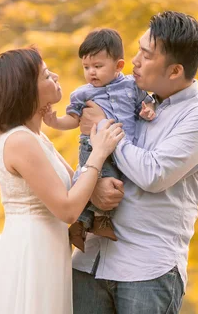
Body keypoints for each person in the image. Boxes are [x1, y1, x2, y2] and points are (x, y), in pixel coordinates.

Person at [72, 11, 198, 314]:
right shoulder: (132, 99)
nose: (135, 60)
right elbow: (90, 156)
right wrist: (93, 186)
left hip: (147, 273)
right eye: (139, 48)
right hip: (90, 263)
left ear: (175, 70)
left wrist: (103, 127)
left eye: (147, 54)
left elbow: (152, 173)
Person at [0, 47, 124, 314]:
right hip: (32, 253)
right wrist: (100, 151)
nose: (55, 76)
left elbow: (76, 184)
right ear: (25, 90)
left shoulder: (35, 137)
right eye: (45, 75)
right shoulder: (20, 140)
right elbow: (67, 209)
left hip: (48, 250)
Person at [43, 28, 155, 251]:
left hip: (122, 147)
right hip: (91, 145)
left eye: (98, 66)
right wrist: (55, 123)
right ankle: (80, 224)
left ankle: (98, 221)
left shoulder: (132, 86)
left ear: (118, 66)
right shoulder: (83, 94)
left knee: (112, 183)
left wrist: (148, 109)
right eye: (86, 67)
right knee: (88, 178)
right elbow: (73, 119)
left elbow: (148, 102)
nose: (91, 73)